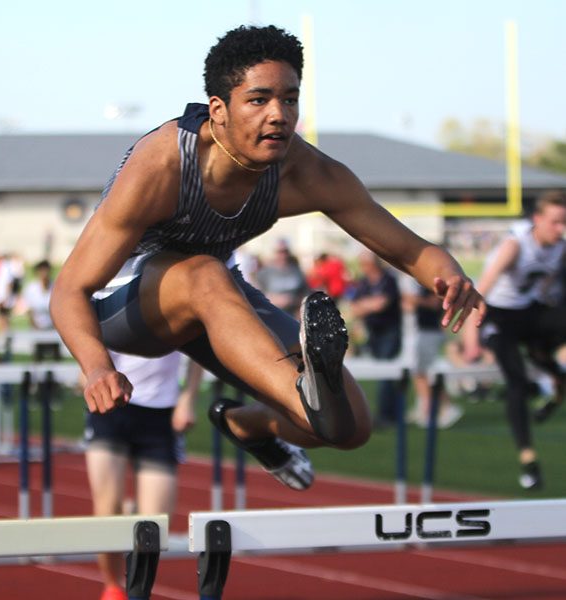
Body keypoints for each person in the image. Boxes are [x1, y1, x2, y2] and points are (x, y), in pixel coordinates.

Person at [50, 25, 485, 491]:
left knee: (347, 427)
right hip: (128, 307)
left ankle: (249, 424)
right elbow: (68, 290)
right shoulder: (161, 166)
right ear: (218, 110)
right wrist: (97, 366)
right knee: (203, 272)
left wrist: (448, 274)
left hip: (215, 297)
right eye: (259, 100)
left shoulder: (305, 171)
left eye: (290, 99)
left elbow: (408, 247)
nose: (279, 115)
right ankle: (307, 393)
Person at [463, 191, 566, 489]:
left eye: (564, 223)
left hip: (527, 313)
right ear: (537, 220)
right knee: (517, 383)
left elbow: (546, 284)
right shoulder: (515, 245)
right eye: (555, 223)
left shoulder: (560, 248)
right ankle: (529, 461)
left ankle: (553, 381)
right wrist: (472, 340)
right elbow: (478, 291)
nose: (560, 230)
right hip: (497, 316)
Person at [85, 351, 202, 600]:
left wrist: (189, 398)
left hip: (160, 416)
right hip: (111, 408)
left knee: (156, 526)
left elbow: (198, 348)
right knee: (107, 513)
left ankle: (130, 513)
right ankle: (113, 587)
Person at [349, 251, 405, 428]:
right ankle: (388, 413)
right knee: (381, 372)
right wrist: (370, 305)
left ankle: (387, 415)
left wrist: (366, 305)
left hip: (389, 331)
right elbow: (355, 307)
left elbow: (382, 304)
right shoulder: (364, 283)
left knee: (386, 373)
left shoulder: (388, 280)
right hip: (372, 332)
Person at [400, 276, 463, 428]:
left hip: (429, 331)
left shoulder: (430, 281)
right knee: (419, 373)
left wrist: (413, 300)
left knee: (427, 373)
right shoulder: (414, 282)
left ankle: (446, 408)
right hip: (419, 331)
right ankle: (426, 409)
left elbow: (435, 303)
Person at [256, 238, 308, 313]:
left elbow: (305, 293)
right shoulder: (265, 272)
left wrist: (293, 300)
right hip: (272, 313)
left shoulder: (297, 271)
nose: (283, 255)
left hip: (292, 314)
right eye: (280, 252)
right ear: (275, 252)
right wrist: (273, 299)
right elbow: (256, 295)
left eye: (285, 251)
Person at [23, 259, 61, 361]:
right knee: (37, 356)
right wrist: (35, 326)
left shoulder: (55, 286)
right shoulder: (31, 288)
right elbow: (29, 310)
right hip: (37, 327)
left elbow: (59, 308)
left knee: (55, 355)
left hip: (53, 327)